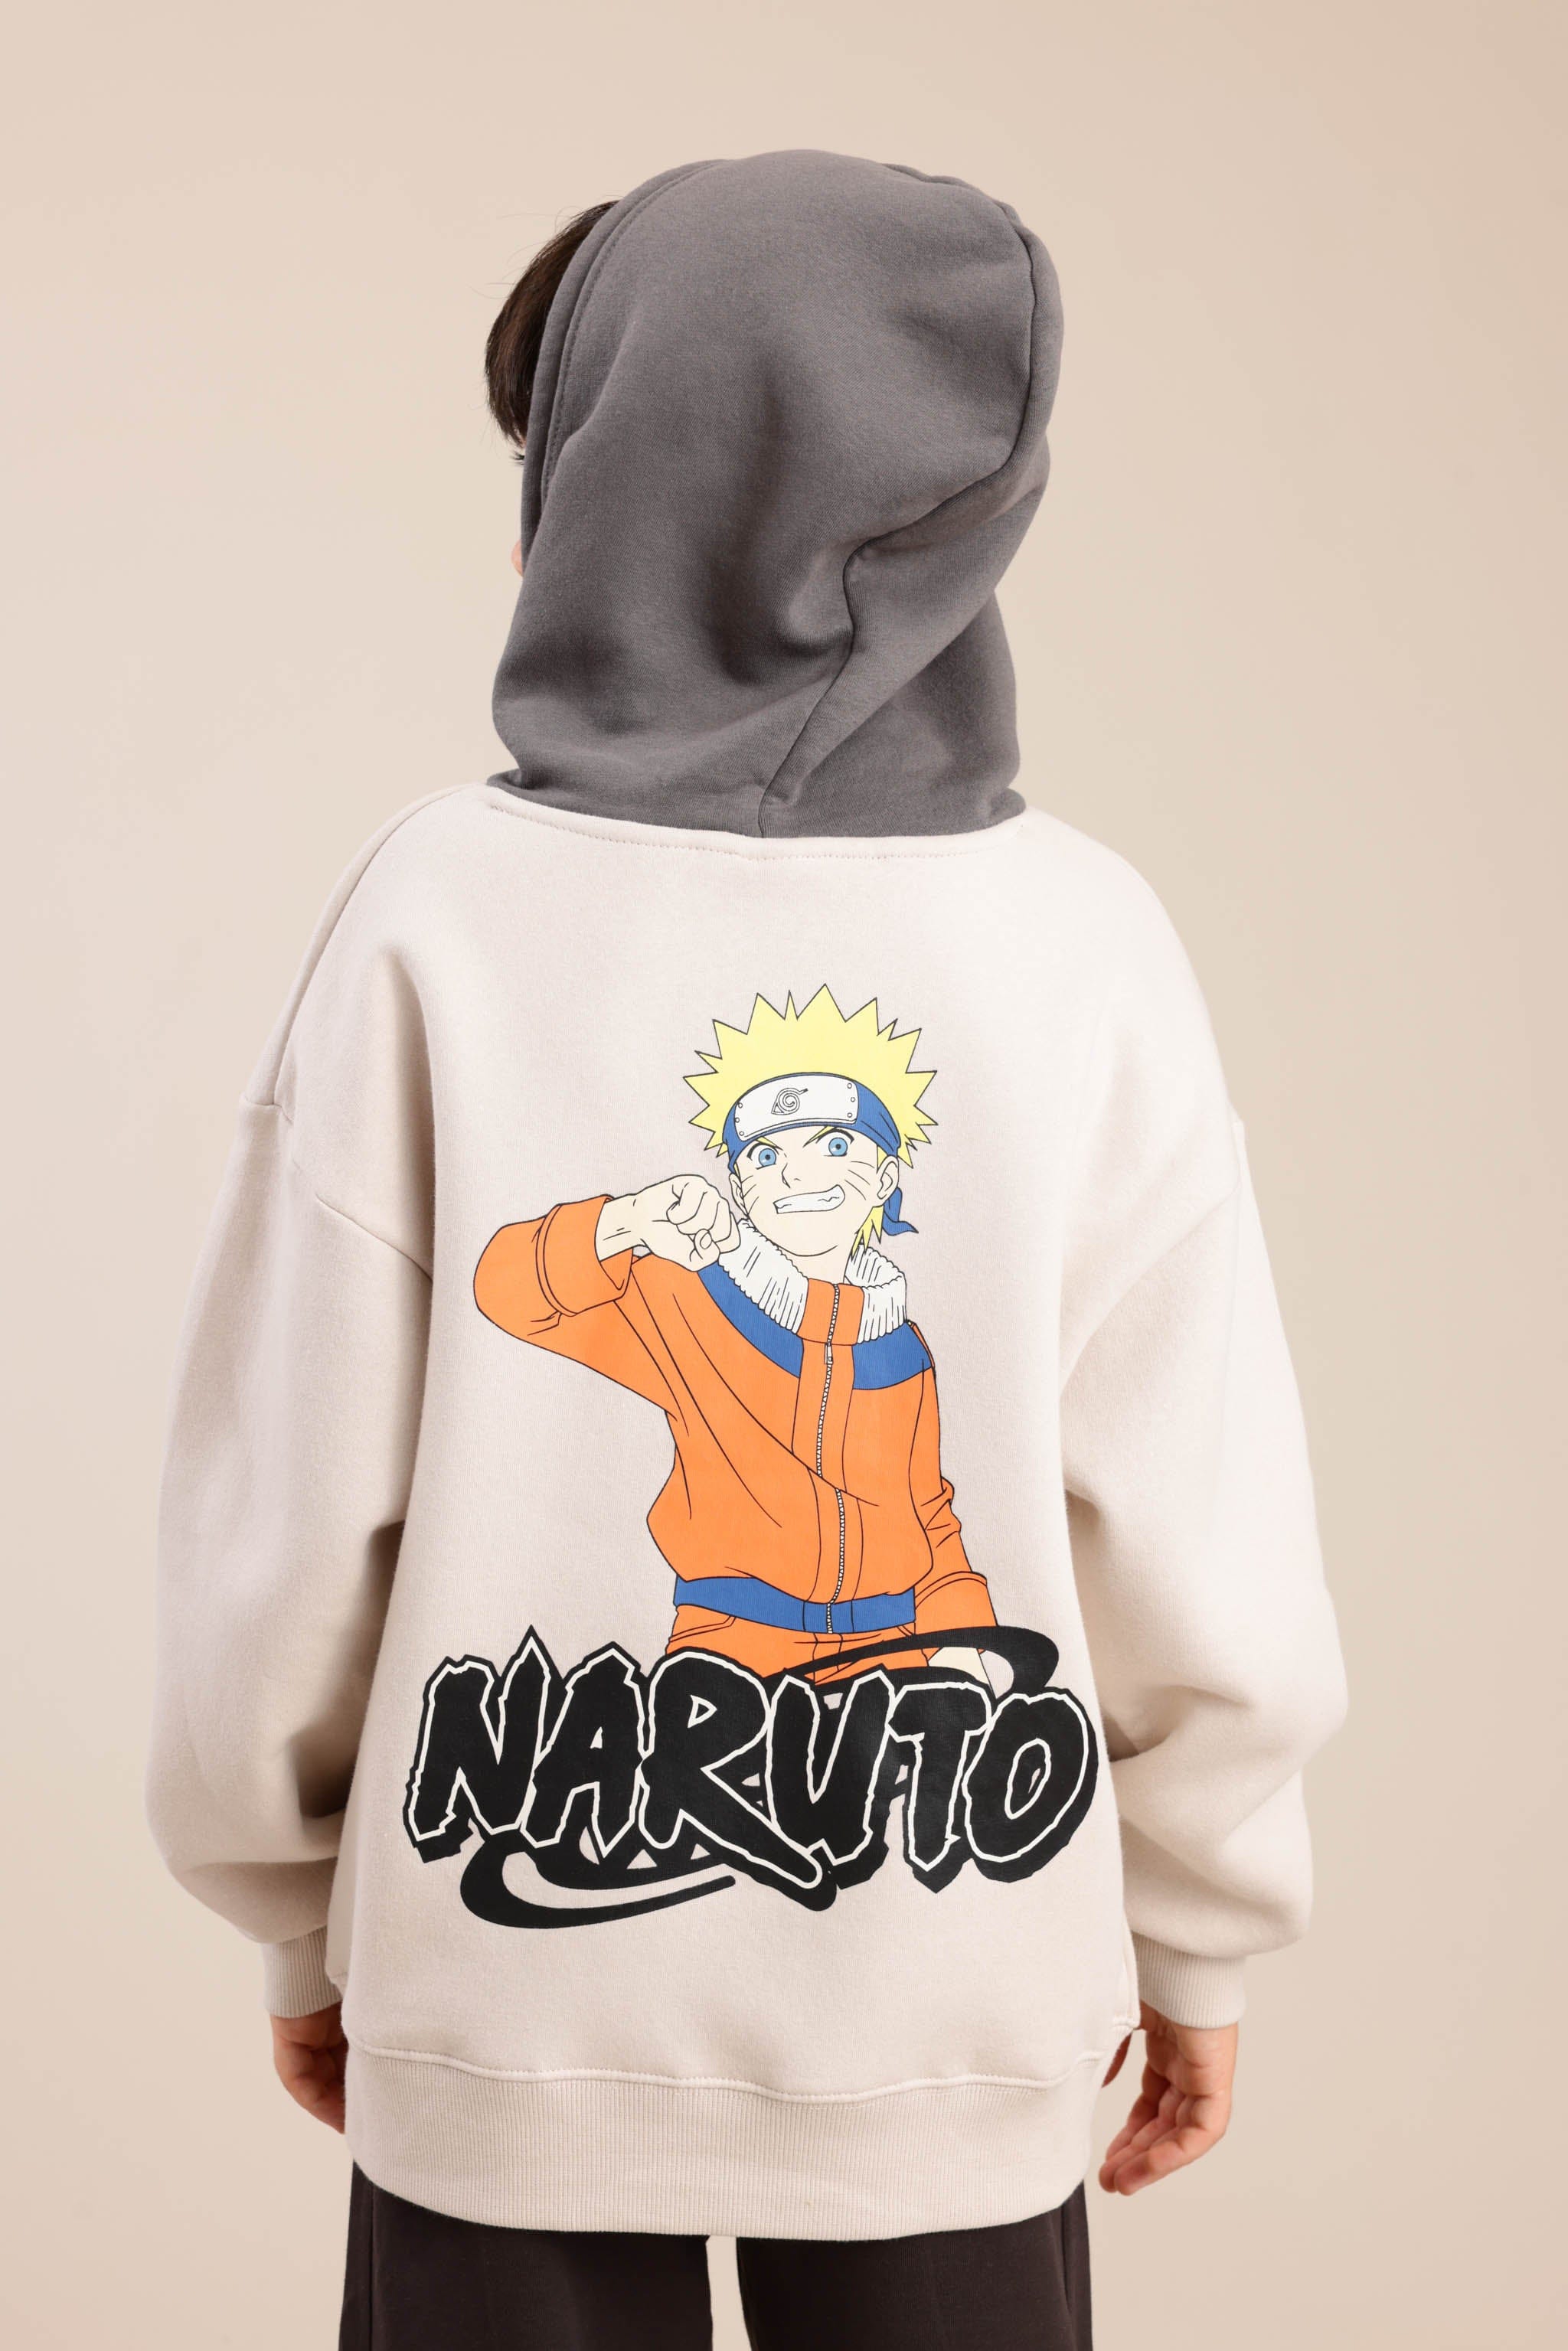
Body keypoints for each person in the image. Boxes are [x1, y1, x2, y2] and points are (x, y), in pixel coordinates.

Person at [149, 152, 1346, 2350]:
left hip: (519, 1978)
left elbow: (289, 1503)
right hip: (952, 1998)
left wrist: (301, 1909)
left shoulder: (431, 917)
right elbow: (1198, 1525)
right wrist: (1200, 1922)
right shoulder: (1083, 947)